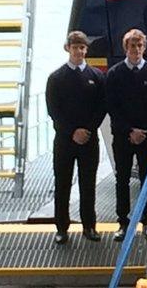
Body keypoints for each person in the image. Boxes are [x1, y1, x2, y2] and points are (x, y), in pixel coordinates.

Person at [45, 31, 106, 245]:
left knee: (88, 184)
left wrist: (87, 130)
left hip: (89, 140)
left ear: (86, 50)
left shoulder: (97, 77)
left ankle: (89, 226)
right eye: (75, 47)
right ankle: (61, 227)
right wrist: (72, 132)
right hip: (64, 140)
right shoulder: (56, 78)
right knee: (62, 184)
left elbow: (101, 108)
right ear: (68, 49)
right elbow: (53, 111)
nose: (78, 51)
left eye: (82, 48)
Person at [105, 28, 147, 241]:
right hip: (123, 136)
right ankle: (123, 222)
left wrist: (143, 131)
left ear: (144, 48)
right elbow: (112, 106)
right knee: (122, 179)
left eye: (140, 46)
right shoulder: (114, 74)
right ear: (126, 48)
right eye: (132, 46)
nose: (136, 50)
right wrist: (129, 131)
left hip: (146, 136)